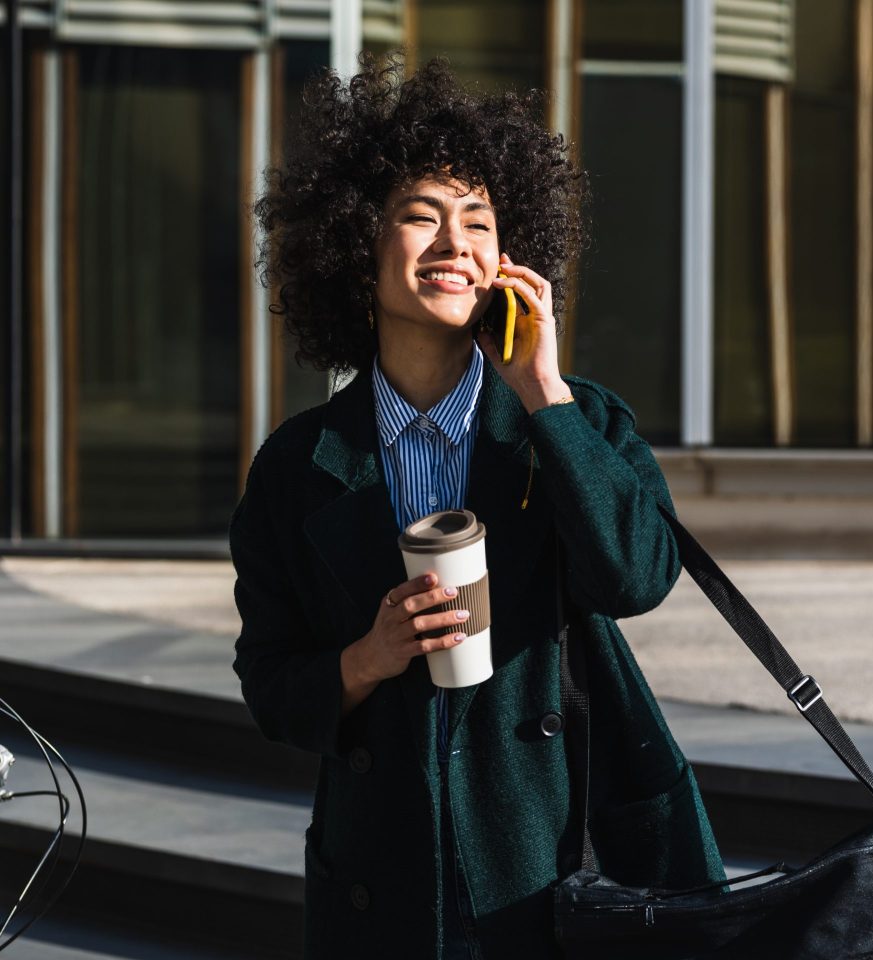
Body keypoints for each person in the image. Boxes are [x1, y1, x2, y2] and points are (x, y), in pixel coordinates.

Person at [229, 54, 725, 959]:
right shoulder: (296, 467)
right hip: (380, 883)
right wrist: (368, 659)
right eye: (421, 217)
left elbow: (637, 578)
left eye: (479, 223)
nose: (454, 244)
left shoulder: (575, 419)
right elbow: (271, 683)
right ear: (353, 246)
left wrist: (542, 391)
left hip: (550, 859)